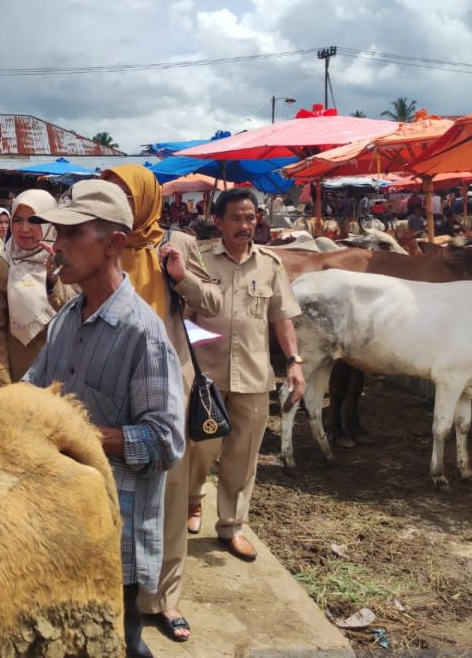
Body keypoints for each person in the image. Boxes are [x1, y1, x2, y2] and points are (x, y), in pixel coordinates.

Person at [23, 179, 184, 658]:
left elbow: (164, 441)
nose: (59, 246)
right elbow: (34, 389)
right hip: (61, 519)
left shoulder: (143, 334)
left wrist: (76, 432)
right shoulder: (69, 317)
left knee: (119, 642)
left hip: (114, 529)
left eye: (74, 235)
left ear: (115, 244)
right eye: (59, 233)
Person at [99, 164, 221, 645]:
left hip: (169, 389)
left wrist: (181, 277)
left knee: (170, 497)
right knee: (114, 497)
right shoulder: (100, 242)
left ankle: (164, 599)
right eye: (109, 195)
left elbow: (213, 303)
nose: (117, 206)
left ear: (145, 199)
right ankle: (114, 595)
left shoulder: (177, 243)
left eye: (125, 196)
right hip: (110, 390)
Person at [188, 188, 305, 562]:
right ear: (218, 222)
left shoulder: (269, 265)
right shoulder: (200, 261)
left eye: (250, 217)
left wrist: (294, 361)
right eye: (236, 218)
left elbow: (281, 317)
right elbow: (182, 318)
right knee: (200, 448)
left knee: (243, 456)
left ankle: (231, 527)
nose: (244, 225)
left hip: (254, 376)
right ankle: (193, 499)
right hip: (205, 376)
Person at [0, 190, 76, 387]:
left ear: (50, 222)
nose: (24, 229)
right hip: (19, 374)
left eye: (34, 220)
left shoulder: (69, 259)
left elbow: (75, 313)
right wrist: (2, 381)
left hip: (62, 371)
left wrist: (53, 280)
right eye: (17, 220)